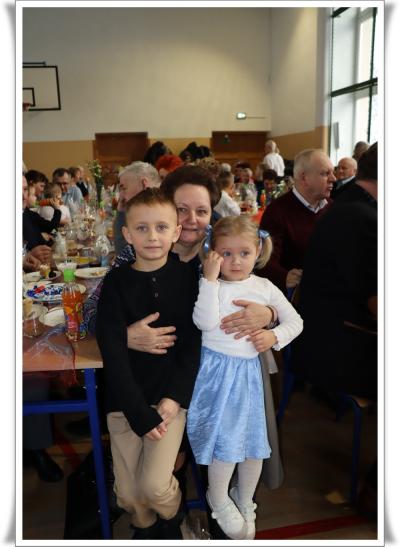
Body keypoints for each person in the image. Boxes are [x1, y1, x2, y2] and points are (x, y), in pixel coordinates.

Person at [187, 216, 303, 539]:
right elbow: (204, 322)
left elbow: (296, 322)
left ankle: (244, 498)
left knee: (254, 442)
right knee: (225, 442)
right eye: (226, 254)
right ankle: (218, 497)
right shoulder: (210, 284)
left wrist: (273, 336)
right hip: (216, 376)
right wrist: (209, 280)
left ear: (258, 251)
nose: (236, 261)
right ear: (213, 253)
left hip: (249, 376)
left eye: (244, 253)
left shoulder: (264, 287)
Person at [96, 188, 201, 539]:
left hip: (169, 401)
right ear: (127, 234)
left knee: (155, 486)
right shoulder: (115, 282)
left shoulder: (189, 279)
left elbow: (192, 345)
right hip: (125, 403)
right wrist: (138, 412)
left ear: (175, 232)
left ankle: (172, 519)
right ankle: (147, 528)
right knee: (127, 495)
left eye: (161, 227)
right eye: (142, 228)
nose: (152, 236)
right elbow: (112, 350)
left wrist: (175, 398)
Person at [291, 143, 377, 400]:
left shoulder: (348, 205)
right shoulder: (363, 217)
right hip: (339, 348)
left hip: (325, 336)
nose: (332, 179)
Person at [258, 148, 336, 292]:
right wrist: (284, 277)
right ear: (304, 178)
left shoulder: (333, 208)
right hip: (297, 295)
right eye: (325, 173)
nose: (334, 178)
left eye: (332, 172)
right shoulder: (277, 211)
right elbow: (264, 260)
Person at [114, 161, 161, 254]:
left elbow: (125, 253)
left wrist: (121, 213)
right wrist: (121, 211)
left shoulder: (162, 210)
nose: (121, 196)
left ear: (144, 184)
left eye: (124, 188)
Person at [23, 176, 61, 251]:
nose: (36, 198)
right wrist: (57, 210)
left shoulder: (31, 214)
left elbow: (52, 228)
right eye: (33, 195)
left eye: (25, 190)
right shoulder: (28, 214)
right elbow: (53, 229)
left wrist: (44, 237)